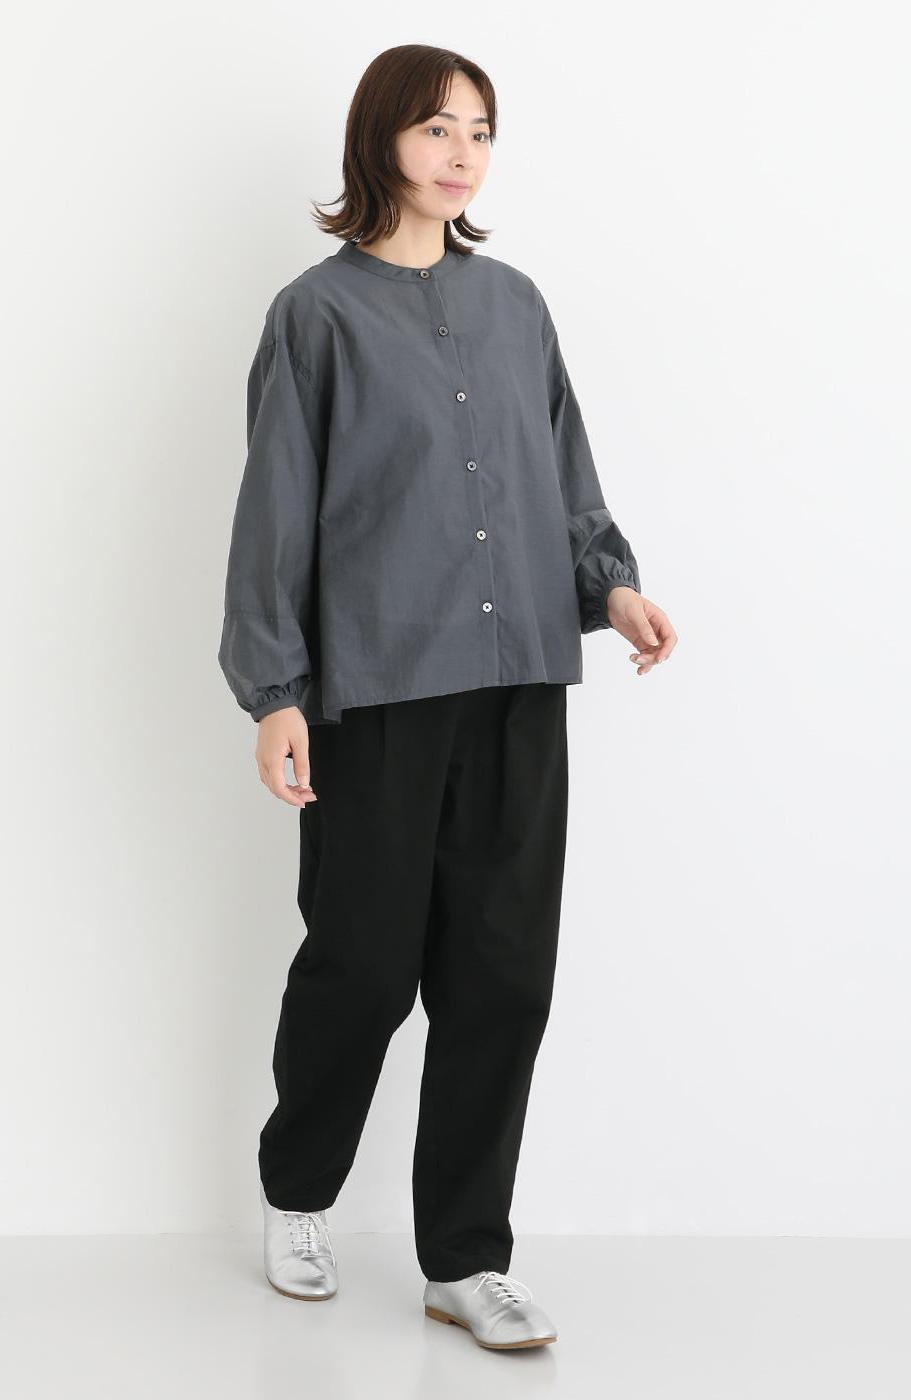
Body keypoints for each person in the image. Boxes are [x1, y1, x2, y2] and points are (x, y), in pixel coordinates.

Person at [219, 44, 677, 1351]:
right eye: (436, 127)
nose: (462, 152)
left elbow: (564, 471)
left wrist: (612, 587)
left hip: (520, 676)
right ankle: (298, 1193)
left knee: (502, 974)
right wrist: (276, 691)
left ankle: (466, 1258)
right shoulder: (316, 316)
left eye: (480, 129)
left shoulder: (517, 305)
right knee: (361, 964)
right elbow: (276, 513)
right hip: (377, 684)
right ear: (381, 139)